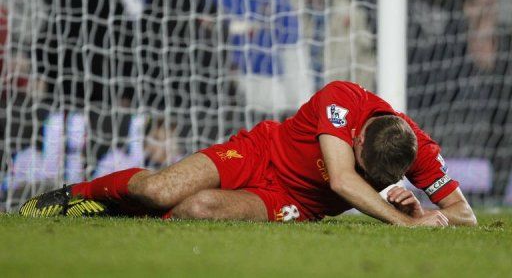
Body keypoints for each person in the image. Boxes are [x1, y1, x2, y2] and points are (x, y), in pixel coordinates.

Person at [19, 81, 477, 226]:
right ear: (357, 140)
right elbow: (341, 179)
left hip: (292, 204)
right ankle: (74, 193)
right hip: (258, 153)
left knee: (195, 209)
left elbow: (465, 215)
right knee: (160, 190)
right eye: (366, 169)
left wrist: (428, 211)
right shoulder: (344, 101)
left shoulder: (420, 150)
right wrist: (406, 223)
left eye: (380, 180)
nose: (370, 179)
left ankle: (113, 213)